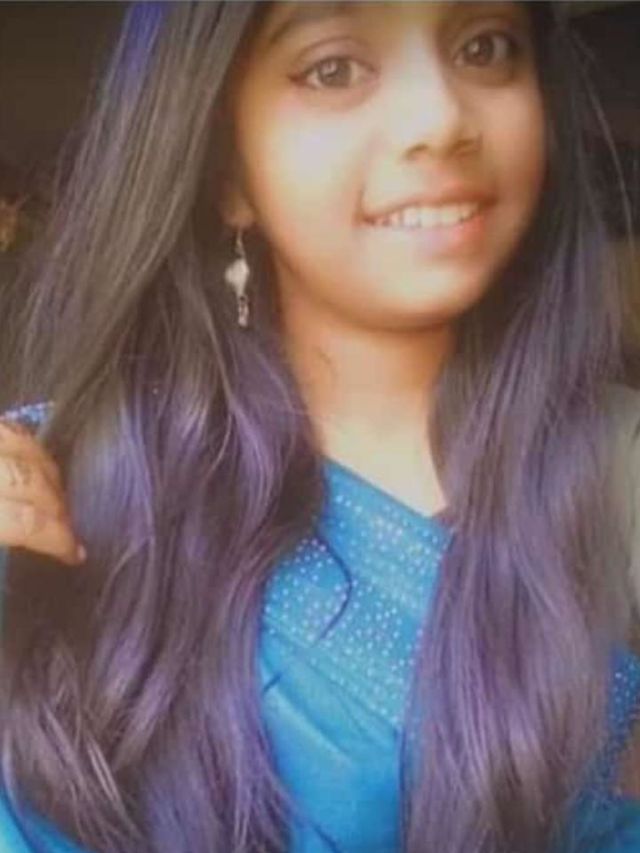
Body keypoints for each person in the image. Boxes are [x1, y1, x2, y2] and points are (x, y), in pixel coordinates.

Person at [0, 1, 640, 851]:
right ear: (228, 169)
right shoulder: (61, 480)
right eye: (333, 68)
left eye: (486, 47)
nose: (442, 117)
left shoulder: (616, 472)